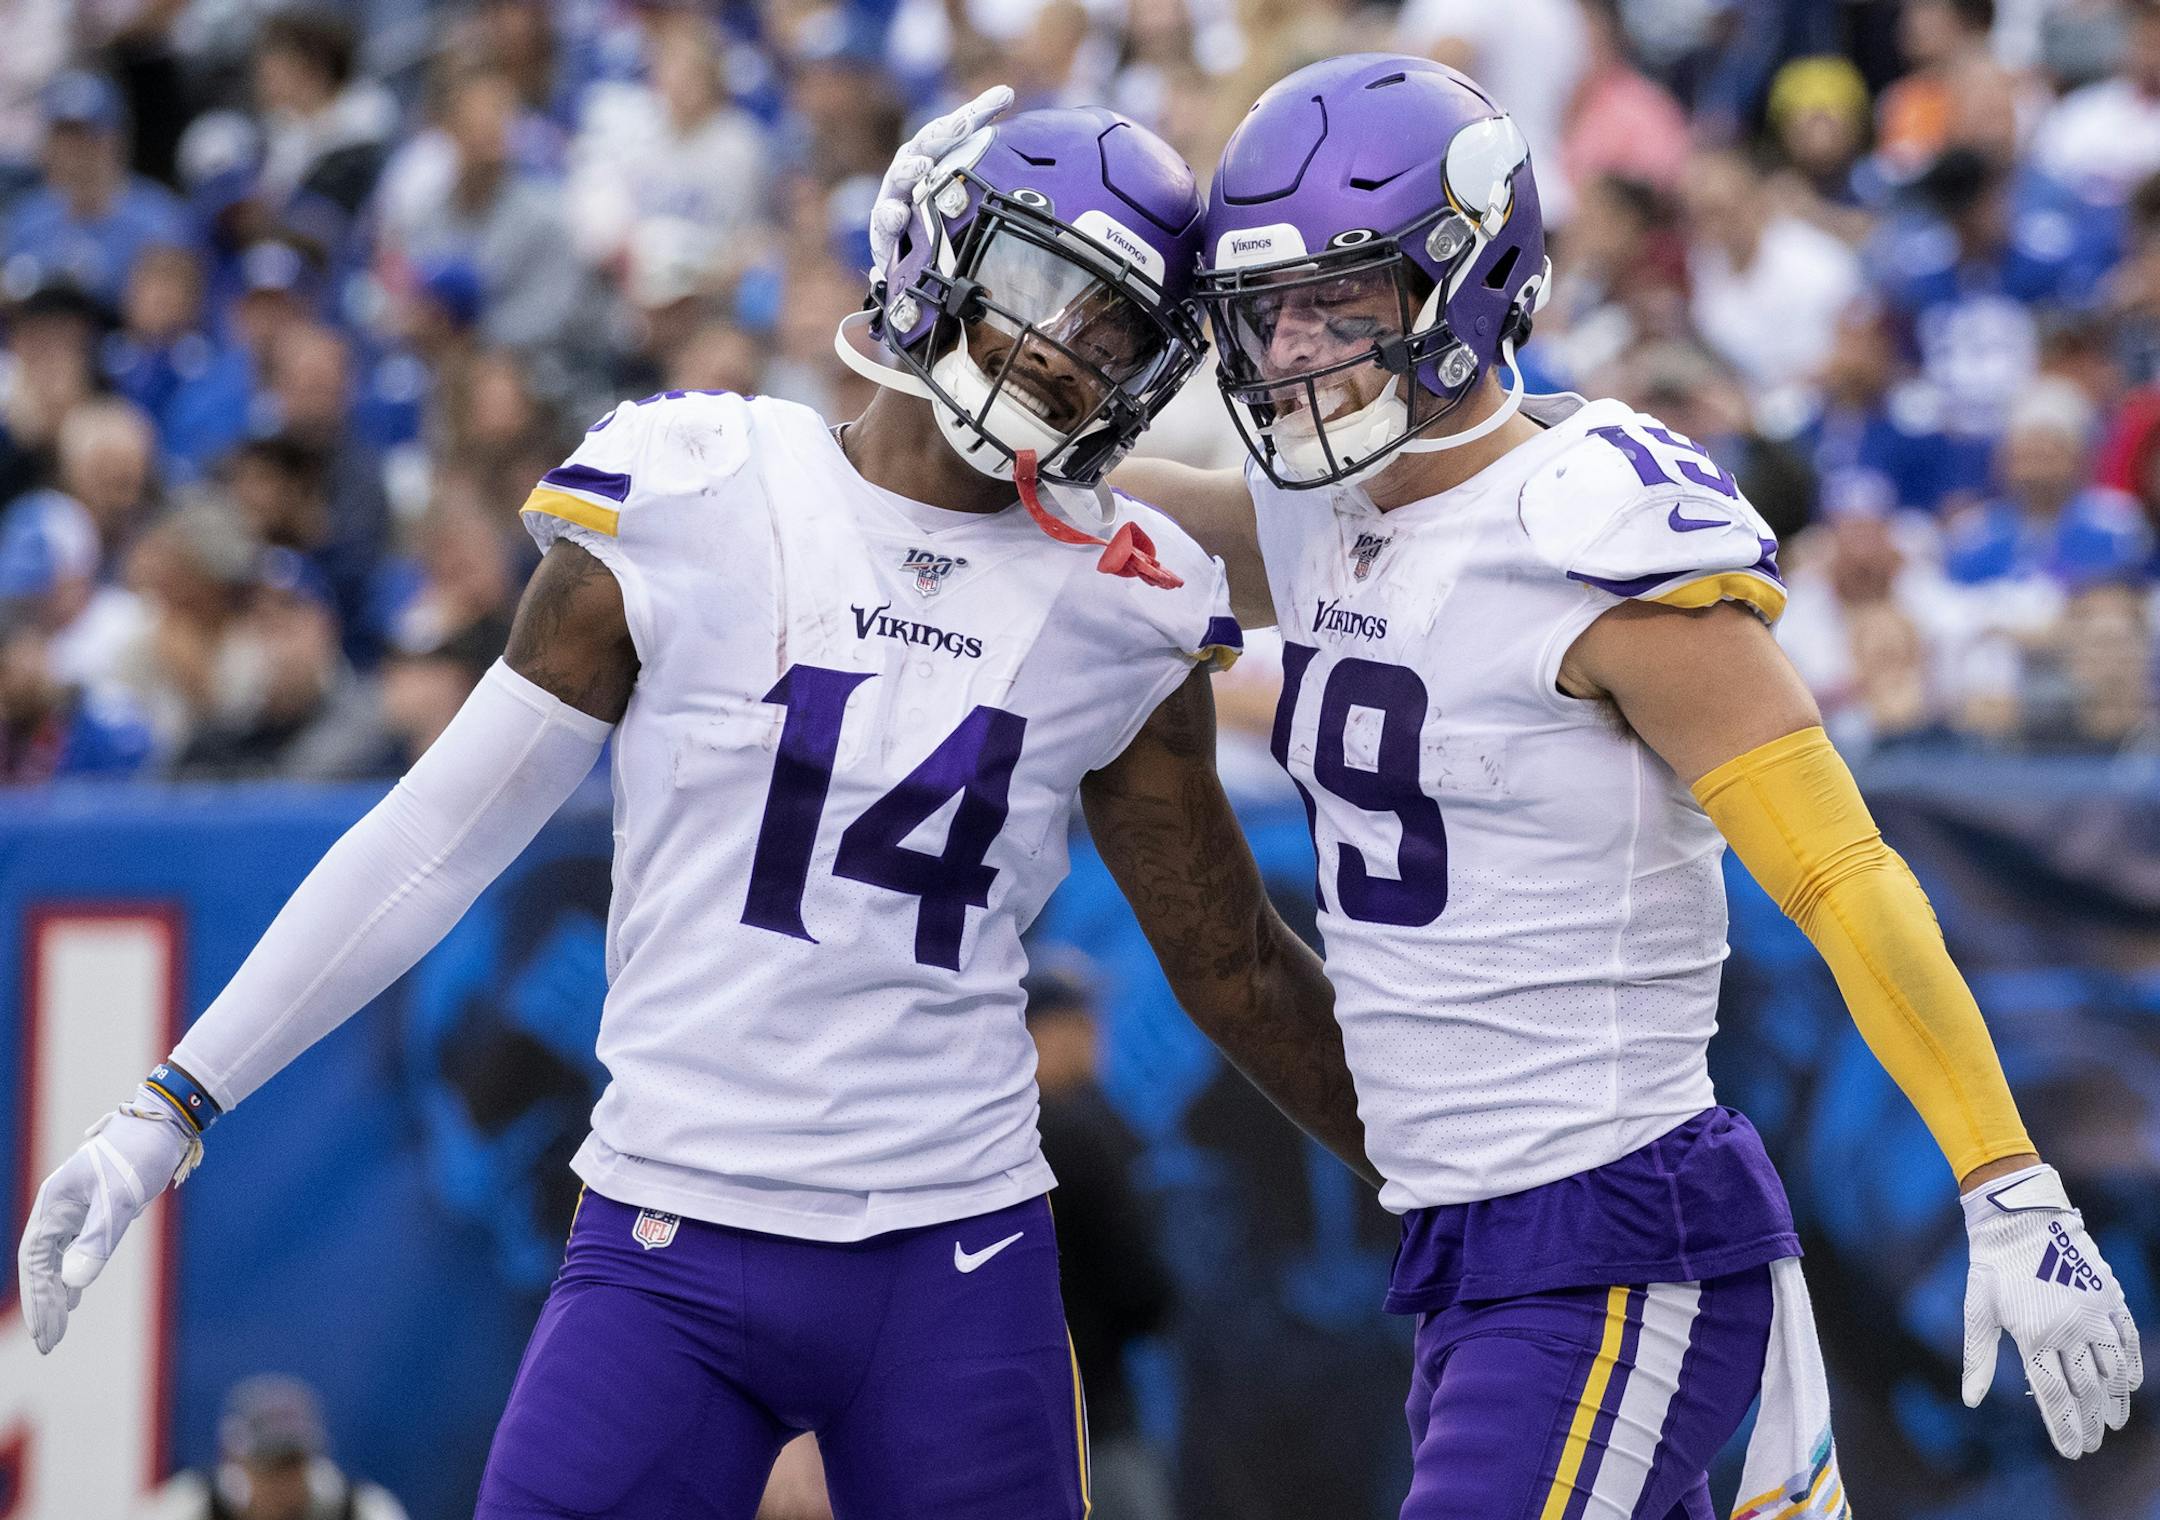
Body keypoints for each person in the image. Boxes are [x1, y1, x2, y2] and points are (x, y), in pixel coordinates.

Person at [18, 100, 1368, 1520]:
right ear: (936, 248)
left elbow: (1232, 960)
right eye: (1047, 286)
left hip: (956, 1246)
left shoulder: (1126, 590)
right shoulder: (704, 482)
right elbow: (437, 835)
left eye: (1115, 330)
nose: (1065, 347)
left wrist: (1455, 1187)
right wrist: (172, 1102)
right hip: (668, 1228)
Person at [872, 55, 2142, 1517]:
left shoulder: (1585, 528)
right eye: (1270, 310)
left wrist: (2004, 1176)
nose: (1294, 347)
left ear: (1466, 283)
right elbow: (1105, 503)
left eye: (1339, 302)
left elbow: (1841, 874)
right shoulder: (1320, 515)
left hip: (1617, 1233)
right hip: (1463, 1243)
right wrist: (940, 337)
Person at [137, 1373, 409, 1520]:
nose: (285, 1485)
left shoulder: (362, 1509)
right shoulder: (187, 1507)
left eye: (295, 1464)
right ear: (236, 1461)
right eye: (270, 1467)